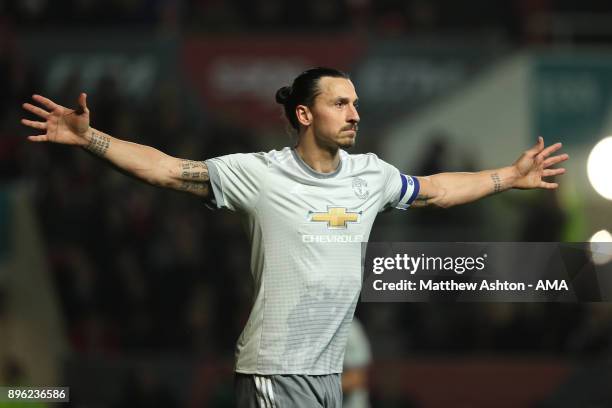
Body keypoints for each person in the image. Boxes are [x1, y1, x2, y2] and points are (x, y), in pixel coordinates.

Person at [20, 67, 568, 407]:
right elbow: (166, 169)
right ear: (304, 113)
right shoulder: (258, 172)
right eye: (340, 103)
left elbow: (436, 190)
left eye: (355, 102)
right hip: (276, 369)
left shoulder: (370, 174)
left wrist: (508, 178)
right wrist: (90, 138)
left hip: (326, 374)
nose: (356, 112)